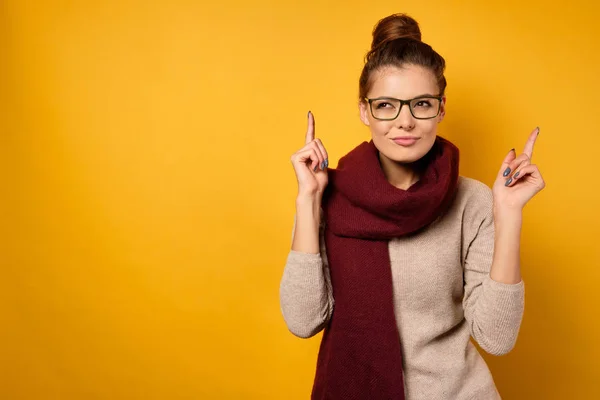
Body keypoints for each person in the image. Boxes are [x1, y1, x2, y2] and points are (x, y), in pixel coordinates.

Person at [279, 13, 545, 400]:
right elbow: (304, 321)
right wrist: (307, 200)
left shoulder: (472, 201)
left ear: (441, 109)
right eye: (386, 105)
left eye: (421, 103)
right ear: (364, 111)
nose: (405, 122)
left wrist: (508, 214)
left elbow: (497, 338)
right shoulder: (325, 195)